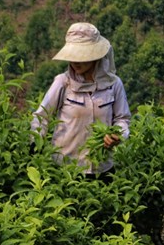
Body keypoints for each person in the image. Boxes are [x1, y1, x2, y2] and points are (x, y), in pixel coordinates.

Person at [31, 22, 131, 176]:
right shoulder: (63, 83)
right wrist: (33, 148)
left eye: (81, 55)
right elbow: (42, 117)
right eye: (73, 55)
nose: (76, 61)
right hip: (66, 168)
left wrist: (118, 135)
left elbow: (122, 118)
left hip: (102, 169)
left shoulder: (113, 85)